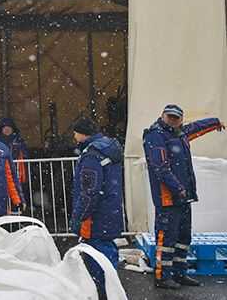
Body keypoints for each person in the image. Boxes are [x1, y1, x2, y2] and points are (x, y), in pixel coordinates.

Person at [143, 104, 224, 289]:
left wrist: (215, 122)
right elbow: (160, 168)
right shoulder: (155, 136)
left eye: (176, 117)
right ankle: (163, 276)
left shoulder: (179, 133)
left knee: (183, 238)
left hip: (183, 197)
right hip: (168, 198)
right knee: (166, 239)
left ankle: (180, 273)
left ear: (180, 119)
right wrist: (177, 187)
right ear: (162, 116)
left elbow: (196, 127)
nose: (172, 120)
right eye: (169, 117)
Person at [69, 117, 124, 300]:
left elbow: (89, 191)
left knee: (96, 257)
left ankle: (104, 293)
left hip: (95, 216)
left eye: (75, 132)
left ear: (82, 133)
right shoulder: (108, 148)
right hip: (110, 209)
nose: (74, 136)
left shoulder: (91, 155)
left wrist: (78, 217)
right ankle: (111, 290)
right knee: (107, 251)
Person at [0, 117, 30, 195]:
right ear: (1, 129)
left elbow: (25, 154)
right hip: (1, 170)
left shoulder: (18, 140)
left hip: (17, 170)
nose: (7, 129)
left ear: (13, 129)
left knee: (17, 191)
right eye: (5, 127)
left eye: (9, 127)